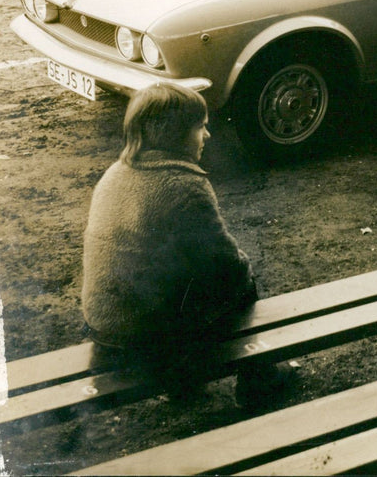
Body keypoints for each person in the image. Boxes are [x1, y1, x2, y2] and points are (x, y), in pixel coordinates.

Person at [81, 84, 291, 410]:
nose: (206, 135)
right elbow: (224, 264)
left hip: (104, 326)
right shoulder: (183, 185)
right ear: (176, 134)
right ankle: (259, 381)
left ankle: (183, 388)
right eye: (200, 126)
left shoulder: (115, 174)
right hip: (142, 338)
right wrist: (244, 271)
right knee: (241, 283)